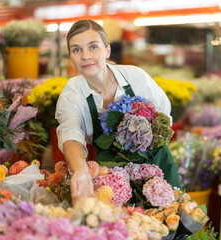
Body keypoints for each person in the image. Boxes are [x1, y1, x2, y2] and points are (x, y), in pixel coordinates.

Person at [55, 19, 181, 206]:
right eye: (76, 49)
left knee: (172, 226)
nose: (85, 56)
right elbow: (70, 131)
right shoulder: (72, 94)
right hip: (114, 178)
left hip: (158, 166)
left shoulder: (136, 78)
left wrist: (145, 141)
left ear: (107, 50)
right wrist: (80, 170)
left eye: (93, 47)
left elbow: (164, 116)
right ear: (70, 56)